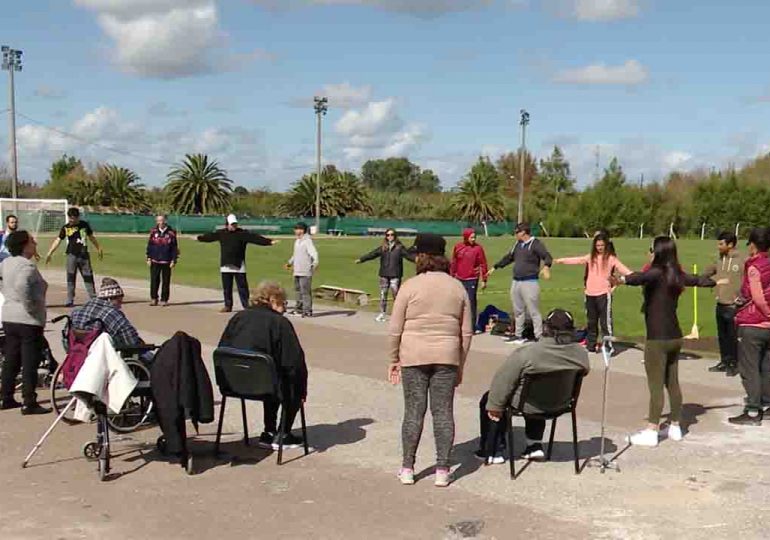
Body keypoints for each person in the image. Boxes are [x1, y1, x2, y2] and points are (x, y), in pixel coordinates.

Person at [611, 236, 716, 447]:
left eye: (651, 249)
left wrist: (620, 280)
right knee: (672, 382)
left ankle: (652, 430)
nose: (649, 252)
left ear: (657, 252)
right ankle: (676, 426)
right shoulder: (676, 274)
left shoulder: (657, 272)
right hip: (675, 336)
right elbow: (697, 280)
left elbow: (640, 277)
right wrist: (714, 280)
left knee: (656, 385)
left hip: (657, 338)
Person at [388, 233, 473, 487]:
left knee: (414, 411)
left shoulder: (410, 286)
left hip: (414, 355)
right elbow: (466, 332)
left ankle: (407, 467)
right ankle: (443, 469)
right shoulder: (457, 287)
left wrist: (393, 359)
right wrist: (460, 363)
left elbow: (395, 329)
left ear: (421, 256)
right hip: (447, 355)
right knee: (443, 412)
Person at [479, 309, 589, 463]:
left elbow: (503, 381)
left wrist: (495, 405)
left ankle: (493, 449)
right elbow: (585, 371)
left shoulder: (528, 353)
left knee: (491, 398)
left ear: (546, 328)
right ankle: (534, 445)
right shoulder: (580, 354)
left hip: (530, 403)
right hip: (561, 403)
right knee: (540, 391)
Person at [218, 281, 308, 449]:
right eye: (284, 303)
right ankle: (283, 433)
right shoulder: (280, 324)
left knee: (269, 373)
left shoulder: (238, 318)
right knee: (288, 382)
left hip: (233, 383)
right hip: (265, 385)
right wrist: (302, 388)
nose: (285, 309)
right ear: (273, 300)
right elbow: (294, 362)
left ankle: (269, 432)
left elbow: (223, 348)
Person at [554, 233, 631, 352]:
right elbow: (577, 260)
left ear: (606, 245)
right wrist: (560, 260)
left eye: (602, 245)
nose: (599, 247)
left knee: (606, 323)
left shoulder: (611, 259)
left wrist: (637, 277)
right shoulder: (590, 257)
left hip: (604, 295)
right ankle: (591, 345)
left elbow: (625, 271)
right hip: (590, 294)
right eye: (597, 245)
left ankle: (608, 347)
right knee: (591, 322)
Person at [0, 231, 50, 414]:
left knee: (11, 358)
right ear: (24, 245)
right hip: (27, 318)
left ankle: (6, 397)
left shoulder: (5, 263)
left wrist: (8, 295)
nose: (35, 243)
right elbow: (22, 286)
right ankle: (29, 401)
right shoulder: (26, 266)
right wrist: (30, 306)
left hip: (9, 315)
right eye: (32, 241)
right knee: (30, 360)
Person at [728, 227, 770, 426]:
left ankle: (753, 410)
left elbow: (757, 296)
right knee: (766, 366)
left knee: (749, 367)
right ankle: (767, 404)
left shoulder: (754, 266)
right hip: (768, 327)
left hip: (754, 324)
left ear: (753, 245)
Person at [197, 214, 277, 313]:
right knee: (227, 288)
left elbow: (255, 238)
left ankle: (246, 306)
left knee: (242, 287)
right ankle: (228, 305)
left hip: (239, 265)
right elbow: (210, 237)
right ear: (227, 225)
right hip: (225, 265)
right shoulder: (222, 233)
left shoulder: (242, 234)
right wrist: (199, 238)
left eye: (235, 224)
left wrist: (268, 242)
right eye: (231, 224)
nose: (233, 226)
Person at [489, 222, 552, 345]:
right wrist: (496, 267)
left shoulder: (535, 244)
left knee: (533, 310)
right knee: (518, 310)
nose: (515, 234)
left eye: (516, 232)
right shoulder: (517, 245)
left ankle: (538, 336)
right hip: (516, 281)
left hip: (530, 282)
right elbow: (509, 257)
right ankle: (518, 335)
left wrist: (546, 267)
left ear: (523, 232)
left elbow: (547, 256)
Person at [702, 231, 744, 376]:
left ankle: (735, 363)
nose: (718, 247)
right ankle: (724, 361)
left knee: (733, 336)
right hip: (720, 302)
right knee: (723, 335)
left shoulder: (741, 261)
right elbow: (707, 273)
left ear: (730, 244)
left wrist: (741, 298)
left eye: (721, 244)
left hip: (734, 305)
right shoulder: (719, 259)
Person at [44, 207, 104, 307]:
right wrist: (50, 252)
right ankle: (70, 299)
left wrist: (98, 247)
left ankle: (93, 298)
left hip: (84, 255)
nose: (72, 220)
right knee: (71, 277)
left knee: (88, 276)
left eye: (74, 218)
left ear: (78, 217)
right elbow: (58, 240)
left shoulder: (84, 225)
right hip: (71, 255)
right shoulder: (66, 228)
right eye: (70, 218)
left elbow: (91, 237)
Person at [355, 228, 414, 322]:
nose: (390, 237)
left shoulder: (400, 247)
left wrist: (419, 261)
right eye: (388, 235)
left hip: (395, 274)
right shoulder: (383, 247)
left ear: (395, 236)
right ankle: (382, 314)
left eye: (392, 235)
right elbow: (372, 254)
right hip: (384, 274)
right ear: (385, 236)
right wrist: (362, 259)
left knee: (396, 295)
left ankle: (398, 315)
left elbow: (409, 256)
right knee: (383, 295)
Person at [72, 277, 144, 350]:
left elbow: (66, 339)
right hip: (104, 355)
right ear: (109, 299)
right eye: (119, 302)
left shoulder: (76, 312)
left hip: (79, 354)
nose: (120, 306)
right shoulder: (112, 314)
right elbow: (131, 341)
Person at [450, 228, 489, 333]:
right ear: (466, 237)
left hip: (472, 279)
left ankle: (471, 327)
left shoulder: (478, 248)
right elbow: (454, 262)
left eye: (474, 237)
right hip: (459, 278)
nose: (473, 239)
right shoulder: (458, 247)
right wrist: (451, 276)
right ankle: (458, 324)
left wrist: (484, 279)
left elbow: (483, 264)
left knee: (471, 302)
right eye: (471, 237)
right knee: (458, 302)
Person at [286, 222, 318, 318]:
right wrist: (290, 262)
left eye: (299, 229)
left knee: (305, 291)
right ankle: (299, 308)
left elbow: (314, 252)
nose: (297, 231)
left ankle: (307, 310)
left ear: (303, 230)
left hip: (305, 270)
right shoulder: (297, 241)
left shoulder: (307, 241)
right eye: (296, 229)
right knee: (297, 290)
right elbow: (295, 254)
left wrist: (315, 262)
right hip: (297, 269)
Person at [146, 214, 179, 307]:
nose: (159, 222)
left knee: (166, 281)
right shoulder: (153, 231)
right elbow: (150, 245)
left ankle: (164, 299)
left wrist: (174, 260)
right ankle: (154, 298)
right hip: (155, 260)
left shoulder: (171, 233)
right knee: (154, 280)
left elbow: (174, 247)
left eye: (161, 220)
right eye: (158, 221)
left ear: (165, 221)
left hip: (166, 260)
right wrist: (148, 257)